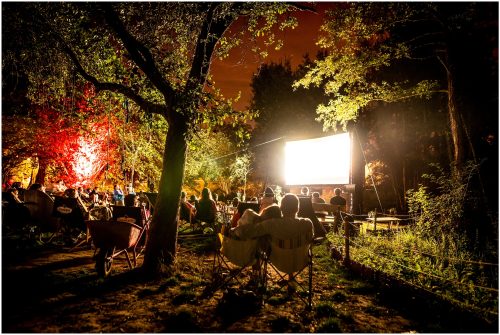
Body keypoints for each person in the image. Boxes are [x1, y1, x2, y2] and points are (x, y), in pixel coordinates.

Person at [233, 193, 313, 288]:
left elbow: (250, 232)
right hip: (300, 262)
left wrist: (235, 230)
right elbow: (310, 241)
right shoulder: (307, 223)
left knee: (259, 238)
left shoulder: (272, 224)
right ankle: (291, 278)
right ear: (297, 208)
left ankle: (257, 273)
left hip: (278, 261)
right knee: (292, 247)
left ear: (281, 208)